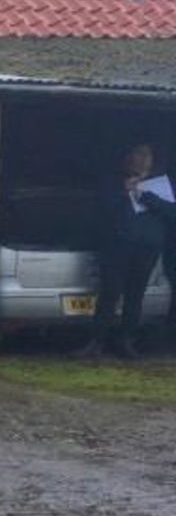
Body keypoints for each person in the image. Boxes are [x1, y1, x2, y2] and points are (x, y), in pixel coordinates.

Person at [92, 142, 168, 358]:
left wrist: (147, 197)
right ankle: (97, 341)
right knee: (109, 293)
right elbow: (103, 209)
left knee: (135, 296)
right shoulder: (113, 183)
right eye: (138, 154)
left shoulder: (159, 185)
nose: (143, 159)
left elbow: (171, 213)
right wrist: (125, 192)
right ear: (128, 157)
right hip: (118, 248)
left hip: (147, 250)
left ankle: (126, 341)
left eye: (147, 155)